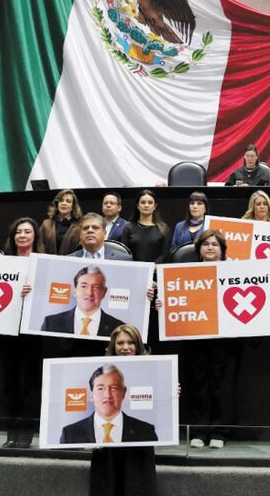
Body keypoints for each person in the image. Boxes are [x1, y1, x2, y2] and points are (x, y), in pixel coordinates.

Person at [83, 327, 159, 496]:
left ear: (139, 345)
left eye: (130, 342)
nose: (125, 347)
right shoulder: (100, 371)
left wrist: (173, 394)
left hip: (137, 453)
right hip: (106, 452)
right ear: (113, 347)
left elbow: (162, 411)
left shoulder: (156, 371)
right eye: (120, 343)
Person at [163, 230, 239, 448]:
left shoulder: (234, 272)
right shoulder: (187, 273)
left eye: (215, 244)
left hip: (224, 340)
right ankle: (198, 431)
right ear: (199, 250)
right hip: (195, 338)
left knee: (220, 386)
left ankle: (219, 432)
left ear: (222, 250)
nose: (210, 248)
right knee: (198, 385)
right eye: (206, 244)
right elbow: (176, 300)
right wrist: (164, 304)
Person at [0, 217, 45, 448]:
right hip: (6, 329)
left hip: (34, 331)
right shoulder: (3, 261)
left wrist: (34, 290)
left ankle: (26, 433)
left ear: (35, 236)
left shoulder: (45, 262)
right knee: (10, 383)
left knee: (31, 383)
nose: (22, 235)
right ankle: (11, 432)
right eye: (18, 231)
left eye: (27, 231)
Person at [60, 364, 158, 444]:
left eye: (114, 388)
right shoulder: (69, 434)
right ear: (91, 395)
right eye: (100, 388)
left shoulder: (146, 431)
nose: (107, 395)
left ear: (123, 393)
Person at [42, 266, 127, 337]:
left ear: (104, 292)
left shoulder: (119, 328)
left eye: (96, 287)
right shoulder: (51, 323)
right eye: (84, 286)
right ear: (75, 291)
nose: (89, 293)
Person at [120, 189, 170, 263]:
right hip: (134, 270)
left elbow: (165, 254)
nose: (146, 205)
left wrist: (153, 266)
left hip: (155, 271)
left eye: (150, 203)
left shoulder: (164, 229)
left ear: (155, 206)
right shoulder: (128, 227)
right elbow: (124, 253)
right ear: (138, 206)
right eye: (143, 202)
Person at [40, 189, 83, 255]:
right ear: (57, 204)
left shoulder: (80, 226)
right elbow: (39, 244)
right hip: (47, 262)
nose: (64, 203)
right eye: (61, 200)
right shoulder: (46, 224)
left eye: (68, 201)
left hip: (71, 262)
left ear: (73, 206)